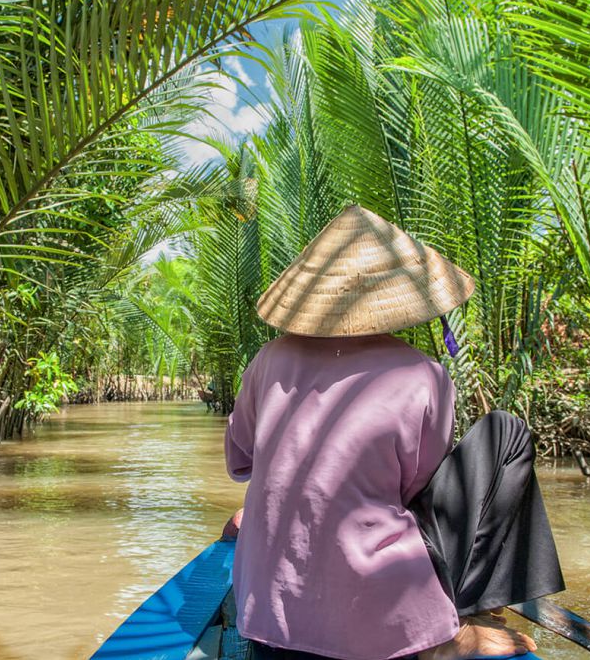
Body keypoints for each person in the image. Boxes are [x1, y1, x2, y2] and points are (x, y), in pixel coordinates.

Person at [223, 205, 564, 660]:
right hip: (379, 628)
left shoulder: (269, 361)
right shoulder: (426, 375)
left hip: (266, 619)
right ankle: (454, 623)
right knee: (506, 432)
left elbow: (240, 459)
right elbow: (415, 491)